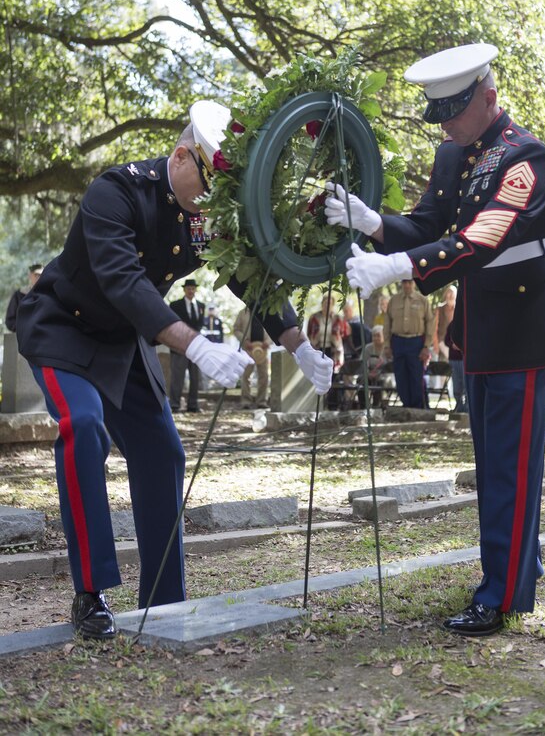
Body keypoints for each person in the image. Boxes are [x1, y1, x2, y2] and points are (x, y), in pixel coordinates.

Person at [16, 99, 333, 640]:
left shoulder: (207, 211)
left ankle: (163, 601)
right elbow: (124, 282)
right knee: (84, 428)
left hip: (123, 341)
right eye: (209, 185)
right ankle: (89, 593)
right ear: (183, 156)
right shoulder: (115, 191)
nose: (212, 203)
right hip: (62, 331)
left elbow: (246, 277)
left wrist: (298, 344)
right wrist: (194, 345)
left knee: (163, 450)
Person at [325, 42, 545, 636]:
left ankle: (501, 596)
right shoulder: (453, 154)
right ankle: (518, 568)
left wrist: (398, 269)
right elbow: (429, 223)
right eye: (439, 115)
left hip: (527, 330)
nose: (446, 126)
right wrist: (374, 223)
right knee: (495, 462)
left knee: (510, 469)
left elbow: (480, 239)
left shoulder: (526, 160)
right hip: (486, 329)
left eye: (454, 112)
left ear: (488, 97)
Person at [383, 279, 433, 408]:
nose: (407, 285)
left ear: (414, 283)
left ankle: (418, 408)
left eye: (409, 282)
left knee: (416, 377)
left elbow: (430, 323)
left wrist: (426, 346)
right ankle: (406, 405)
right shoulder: (394, 301)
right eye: (404, 282)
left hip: (416, 342)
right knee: (401, 376)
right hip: (398, 341)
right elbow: (387, 324)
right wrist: (387, 345)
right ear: (401, 283)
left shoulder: (422, 300)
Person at [168, 279, 204, 412]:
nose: (191, 291)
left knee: (195, 377)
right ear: (184, 290)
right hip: (179, 347)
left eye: (193, 288)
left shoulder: (201, 306)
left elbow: (200, 326)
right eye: (188, 288)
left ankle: (193, 404)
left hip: (196, 348)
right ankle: (175, 404)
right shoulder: (175, 305)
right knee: (177, 377)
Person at [233, 306, 271, 409]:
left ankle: (262, 401)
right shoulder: (242, 312)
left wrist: (267, 342)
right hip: (248, 350)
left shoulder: (267, 311)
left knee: (264, 376)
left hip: (263, 350)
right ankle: (246, 401)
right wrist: (245, 341)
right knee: (246, 376)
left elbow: (273, 330)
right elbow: (236, 329)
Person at [5, 263, 43, 332]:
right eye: (36, 275)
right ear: (30, 275)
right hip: (23, 335)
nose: (39, 277)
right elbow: (10, 320)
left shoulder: (48, 294)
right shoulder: (19, 295)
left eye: (41, 275)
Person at [357, 324, 388, 408]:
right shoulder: (368, 348)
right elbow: (362, 363)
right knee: (361, 380)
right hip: (369, 373)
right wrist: (367, 373)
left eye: (378, 336)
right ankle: (363, 406)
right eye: (374, 336)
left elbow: (390, 365)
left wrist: (378, 373)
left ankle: (376, 406)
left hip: (384, 374)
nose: (375, 338)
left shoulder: (388, 348)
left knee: (380, 381)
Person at [444, 322, 467, 413]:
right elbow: (446, 340)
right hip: (454, 359)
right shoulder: (452, 324)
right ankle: (458, 406)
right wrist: (452, 345)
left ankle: (467, 407)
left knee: (465, 385)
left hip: (464, 359)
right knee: (457, 384)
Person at [432, 285, 456, 365]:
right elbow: (434, 329)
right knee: (444, 371)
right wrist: (436, 345)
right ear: (446, 295)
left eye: (453, 293)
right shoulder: (439, 309)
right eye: (449, 293)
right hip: (442, 343)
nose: (451, 295)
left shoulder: (460, 309)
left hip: (456, 344)